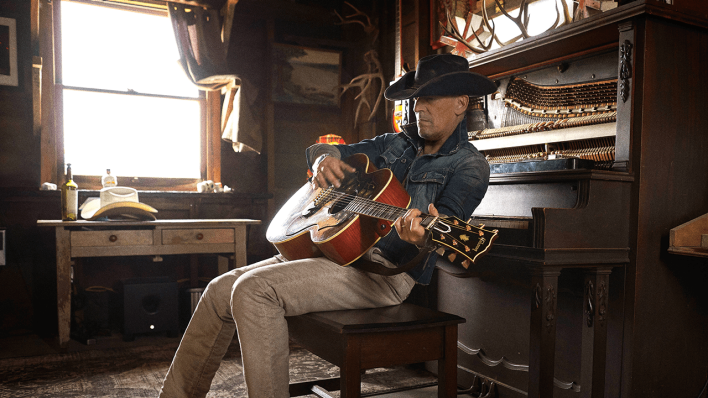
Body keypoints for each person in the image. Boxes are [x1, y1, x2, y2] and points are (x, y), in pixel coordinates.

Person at [159, 53, 496, 398]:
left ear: (460, 103)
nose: (418, 107)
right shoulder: (393, 144)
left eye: (430, 98)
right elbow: (331, 150)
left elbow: (445, 226)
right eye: (416, 98)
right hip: (330, 249)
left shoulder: (470, 166)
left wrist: (422, 235)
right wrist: (324, 159)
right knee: (218, 288)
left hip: (383, 273)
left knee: (252, 291)